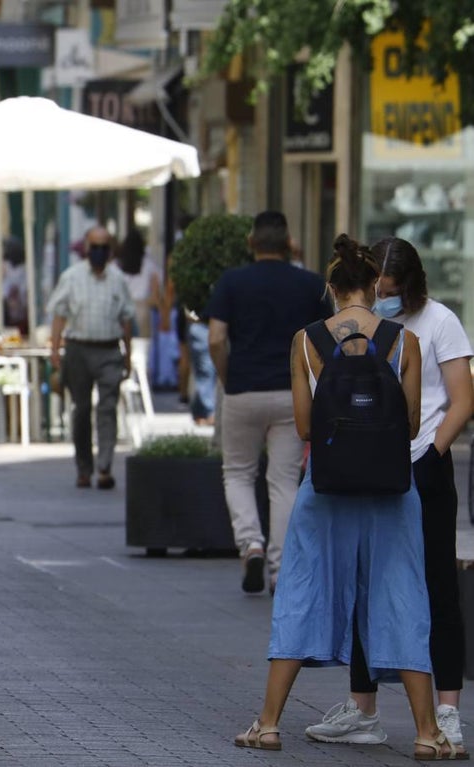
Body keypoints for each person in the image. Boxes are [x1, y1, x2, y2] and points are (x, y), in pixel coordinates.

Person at [234, 234, 464, 761]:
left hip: (327, 488)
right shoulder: (402, 340)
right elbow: (409, 425)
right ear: (370, 287)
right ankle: (427, 733)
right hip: (392, 489)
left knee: (302, 591)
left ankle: (268, 724)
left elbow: (302, 424)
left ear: (333, 290)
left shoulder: (306, 340)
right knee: (404, 596)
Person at [303, 236, 474, 748]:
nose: (383, 297)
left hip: (422, 464)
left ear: (410, 286)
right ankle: (363, 708)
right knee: (365, 583)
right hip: (369, 467)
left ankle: (447, 712)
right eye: (379, 288)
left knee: (437, 585)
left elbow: (461, 399)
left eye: (392, 290)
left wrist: (432, 453)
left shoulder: (439, 321)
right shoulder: (365, 322)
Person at [207, 211, 330, 594]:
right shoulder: (310, 284)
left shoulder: (232, 282)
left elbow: (214, 338)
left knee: (239, 472)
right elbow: (324, 342)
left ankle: (251, 545)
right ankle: (279, 569)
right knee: (283, 480)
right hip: (291, 394)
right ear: (289, 243)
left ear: (251, 242)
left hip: (243, 389)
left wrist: (228, 377)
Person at [47, 226, 135, 490]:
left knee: (107, 409)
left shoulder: (118, 279)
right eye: (94, 246)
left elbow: (126, 319)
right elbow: (59, 314)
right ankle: (84, 469)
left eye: (103, 246)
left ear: (111, 250)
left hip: (109, 350)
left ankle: (105, 466)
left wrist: (128, 354)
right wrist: (55, 349)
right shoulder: (72, 277)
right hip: (78, 350)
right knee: (81, 410)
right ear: (86, 248)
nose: (98, 251)